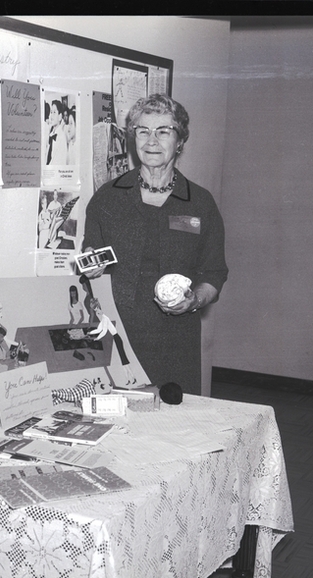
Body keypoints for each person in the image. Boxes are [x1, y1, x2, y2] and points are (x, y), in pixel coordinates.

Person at [83, 94, 228, 395]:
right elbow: (90, 255)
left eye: (163, 131)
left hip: (176, 342)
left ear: (180, 140)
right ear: (132, 137)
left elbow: (214, 273)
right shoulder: (107, 198)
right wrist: (90, 265)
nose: (152, 141)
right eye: (143, 131)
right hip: (116, 335)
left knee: (175, 418)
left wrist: (194, 300)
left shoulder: (200, 203)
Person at [46, 100, 68, 165]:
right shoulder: (51, 134)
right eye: (51, 112)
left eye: (54, 112)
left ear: (60, 116)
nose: (51, 116)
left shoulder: (61, 137)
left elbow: (60, 162)